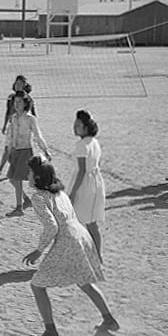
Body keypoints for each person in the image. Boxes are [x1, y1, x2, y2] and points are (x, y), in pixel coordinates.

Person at [22, 156, 119, 336]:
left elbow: (51, 227)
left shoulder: (39, 197)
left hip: (67, 241)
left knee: (37, 285)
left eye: (30, 173)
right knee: (84, 282)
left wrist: (39, 251)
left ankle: (51, 332)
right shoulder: (60, 193)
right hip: (81, 236)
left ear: (38, 178)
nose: (28, 176)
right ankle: (109, 319)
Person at [67, 110, 106, 262]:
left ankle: (80, 255)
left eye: (78, 125)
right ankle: (97, 254)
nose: (75, 127)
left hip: (84, 185)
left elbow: (82, 170)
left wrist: (72, 193)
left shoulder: (81, 145)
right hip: (96, 182)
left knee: (77, 221)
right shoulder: (94, 142)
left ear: (86, 127)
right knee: (92, 222)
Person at [4, 91, 51, 217]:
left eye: (19, 102)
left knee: (18, 179)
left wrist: (45, 150)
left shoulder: (30, 119)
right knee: (12, 178)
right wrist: (9, 151)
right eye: (15, 102)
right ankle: (26, 200)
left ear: (25, 103)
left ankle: (19, 207)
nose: (17, 104)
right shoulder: (13, 118)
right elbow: (10, 135)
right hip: (15, 151)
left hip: (25, 151)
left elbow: (37, 135)